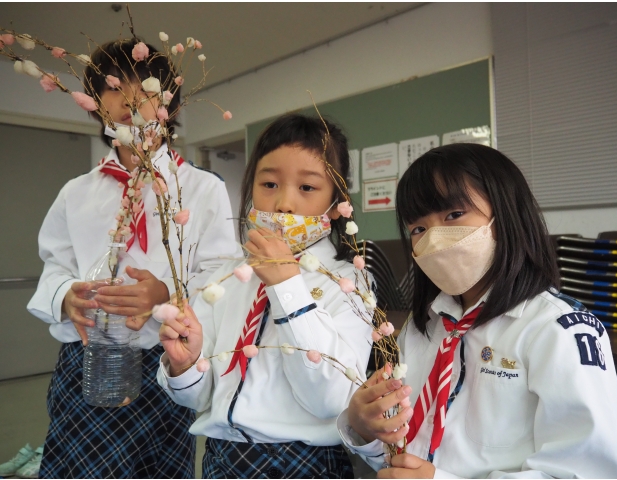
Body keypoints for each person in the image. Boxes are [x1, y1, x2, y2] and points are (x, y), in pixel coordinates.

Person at [339, 143, 617, 478]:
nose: (434, 239)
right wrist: (363, 430)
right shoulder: (422, 329)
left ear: (506, 213)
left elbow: (588, 473)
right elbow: (400, 456)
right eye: (418, 228)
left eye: (454, 215)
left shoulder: (558, 331)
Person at [27, 38, 239, 478]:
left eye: (144, 89)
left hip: (167, 363)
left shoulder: (201, 189)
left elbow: (222, 275)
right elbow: (54, 267)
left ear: (170, 104)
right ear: (94, 102)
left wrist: (167, 295)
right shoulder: (76, 193)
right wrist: (67, 296)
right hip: (85, 363)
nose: (129, 100)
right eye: (112, 88)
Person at [157, 113, 373, 478]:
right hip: (220, 460)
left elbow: (330, 401)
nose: (284, 204)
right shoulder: (224, 276)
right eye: (269, 183)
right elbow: (198, 397)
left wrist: (286, 286)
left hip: (303, 463)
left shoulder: (349, 284)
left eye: (307, 188)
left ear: (336, 203)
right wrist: (185, 365)